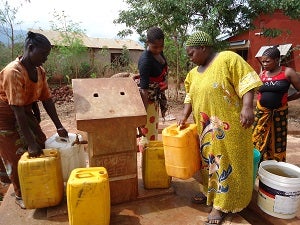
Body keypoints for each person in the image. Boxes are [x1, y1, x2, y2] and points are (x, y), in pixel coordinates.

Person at [178, 31, 262, 225]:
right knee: (209, 162)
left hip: (231, 126)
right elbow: (189, 97)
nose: (190, 59)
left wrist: (248, 107)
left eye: (191, 54)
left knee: (226, 162)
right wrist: (183, 115)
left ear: (203, 48)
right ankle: (212, 195)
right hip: (206, 128)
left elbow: (247, 81)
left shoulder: (227, 58)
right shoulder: (192, 74)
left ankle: (222, 205)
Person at [0, 31, 68, 209]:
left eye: (47, 55)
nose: (45, 59)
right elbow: (16, 109)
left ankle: (41, 182)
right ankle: (21, 193)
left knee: (41, 143)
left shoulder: (40, 71)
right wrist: (29, 142)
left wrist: (59, 126)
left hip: (24, 110)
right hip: (4, 114)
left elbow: (47, 100)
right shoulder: (12, 72)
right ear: (30, 48)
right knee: (15, 153)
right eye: (43, 55)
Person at [252, 46, 300, 162]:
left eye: (267, 61)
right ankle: (258, 163)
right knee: (257, 138)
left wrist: (286, 99)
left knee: (278, 141)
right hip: (262, 113)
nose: (264, 64)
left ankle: (275, 165)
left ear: (277, 59)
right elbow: (257, 90)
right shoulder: (262, 75)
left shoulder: (288, 72)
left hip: (279, 114)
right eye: (263, 61)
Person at [137, 26, 168, 141]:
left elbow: (164, 71)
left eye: (161, 46)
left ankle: (150, 156)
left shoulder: (159, 53)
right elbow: (143, 89)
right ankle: (146, 158)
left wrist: (165, 82)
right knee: (147, 135)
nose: (159, 50)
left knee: (153, 130)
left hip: (154, 100)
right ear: (147, 43)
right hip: (147, 101)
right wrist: (142, 115)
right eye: (155, 47)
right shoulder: (146, 61)